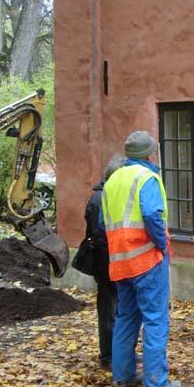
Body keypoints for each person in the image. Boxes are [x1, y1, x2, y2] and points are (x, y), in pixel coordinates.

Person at [101, 131, 182, 387]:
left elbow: (105, 223)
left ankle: (122, 376)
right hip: (146, 260)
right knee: (156, 320)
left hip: (119, 262)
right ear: (150, 154)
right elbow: (151, 214)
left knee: (126, 317)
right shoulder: (147, 178)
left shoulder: (112, 180)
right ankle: (155, 381)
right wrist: (161, 244)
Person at [83, 155, 125, 370]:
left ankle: (115, 354)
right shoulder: (101, 199)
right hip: (107, 262)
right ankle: (108, 356)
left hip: (112, 260)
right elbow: (100, 236)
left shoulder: (105, 196)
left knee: (116, 308)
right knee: (110, 309)